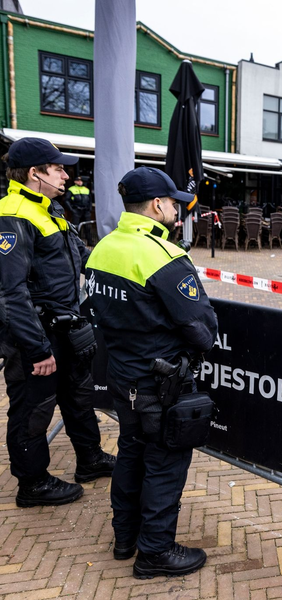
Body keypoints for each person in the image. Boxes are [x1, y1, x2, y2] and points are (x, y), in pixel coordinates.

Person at [86, 167, 218, 579]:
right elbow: (203, 329)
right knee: (164, 464)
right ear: (157, 205)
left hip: (123, 376)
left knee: (130, 453)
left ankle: (125, 538)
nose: (178, 210)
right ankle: (155, 552)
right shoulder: (163, 256)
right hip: (161, 384)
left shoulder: (103, 247)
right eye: (174, 203)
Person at [0, 137, 115, 508]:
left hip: (67, 329)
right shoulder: (13, 214)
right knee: (33, 409)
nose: (66, 175)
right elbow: (10, 292)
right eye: (58, 168)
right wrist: (37, 349)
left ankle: (90, 459)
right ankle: (32, 484)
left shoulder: (51, 210)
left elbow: (81, 256)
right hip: (35, 336)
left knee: (78, 396)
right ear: (35, 173)